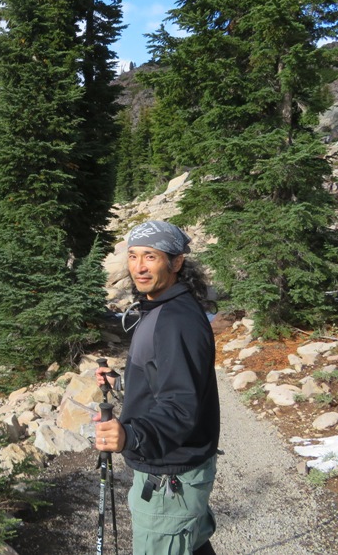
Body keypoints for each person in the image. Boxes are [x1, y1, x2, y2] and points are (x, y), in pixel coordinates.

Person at [95, 220, 220, 555]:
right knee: (190, 544)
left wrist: (130, 436)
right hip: (179, 475)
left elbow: (180, 406)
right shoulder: (165, 308)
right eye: (133, 256)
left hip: (169, 480)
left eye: (150, 256)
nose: (139, 266)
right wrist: (121, 381)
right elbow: (165, 379)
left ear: (176, 262)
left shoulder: (174, 321)